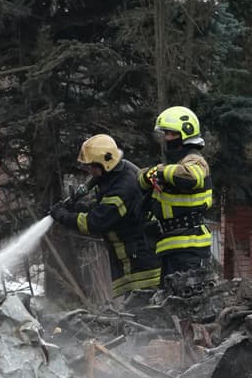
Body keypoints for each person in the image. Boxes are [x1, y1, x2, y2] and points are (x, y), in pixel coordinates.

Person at [49, 133, 161, 298]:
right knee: (138, 313)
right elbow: (103, 209)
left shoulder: (123, 187)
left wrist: (63, 216)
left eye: (91, 166)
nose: (89, 171)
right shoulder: (116, 176)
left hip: (140, 265)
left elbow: (96, 222)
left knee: (146, 314)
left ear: (106, 162)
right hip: (133, 260)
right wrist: (78, 207)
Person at [138, 105, 213, 279]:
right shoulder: (174, 163)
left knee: (189, 300)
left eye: (171, 134)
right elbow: (140, 179)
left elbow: (192, 177)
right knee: (170, 301)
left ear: (185, 134)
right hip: (169, 244)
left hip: (190, 245)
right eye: (165, 134)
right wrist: (149, 174)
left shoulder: (195, 160)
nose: (166, 138)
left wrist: (160, 171)